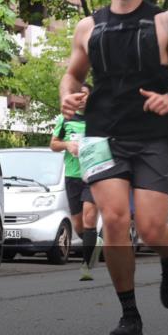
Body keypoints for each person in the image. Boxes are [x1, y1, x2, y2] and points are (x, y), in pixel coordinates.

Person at [60, 0, 168, 335]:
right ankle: (130, 316)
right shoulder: (88, 27)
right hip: (103, 135)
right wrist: (67, 96)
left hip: (154, 135)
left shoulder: (165, 22)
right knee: (116, 222)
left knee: (153, 226)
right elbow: (72, 76)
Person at [49, 83, 102, 280]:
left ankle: (86, 266)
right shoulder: (65, 118)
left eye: (85, 94)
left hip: (93, 175)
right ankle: (93, 243)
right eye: (77, 94)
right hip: (72, 175)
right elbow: (53, 145)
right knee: (78, 225)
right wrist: (67, 144)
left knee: (89, 218)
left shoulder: (98, 119)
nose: (81, 97)